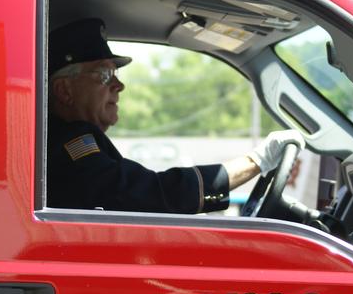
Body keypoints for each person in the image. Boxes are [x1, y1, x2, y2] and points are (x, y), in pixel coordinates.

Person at [46, 18, 304, 213]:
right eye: (104, 75)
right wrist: (255, 161)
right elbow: (147, 195)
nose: (119, 85)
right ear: (64, 90)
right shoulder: (70, 143)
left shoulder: (65, 142)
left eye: (116, 74)